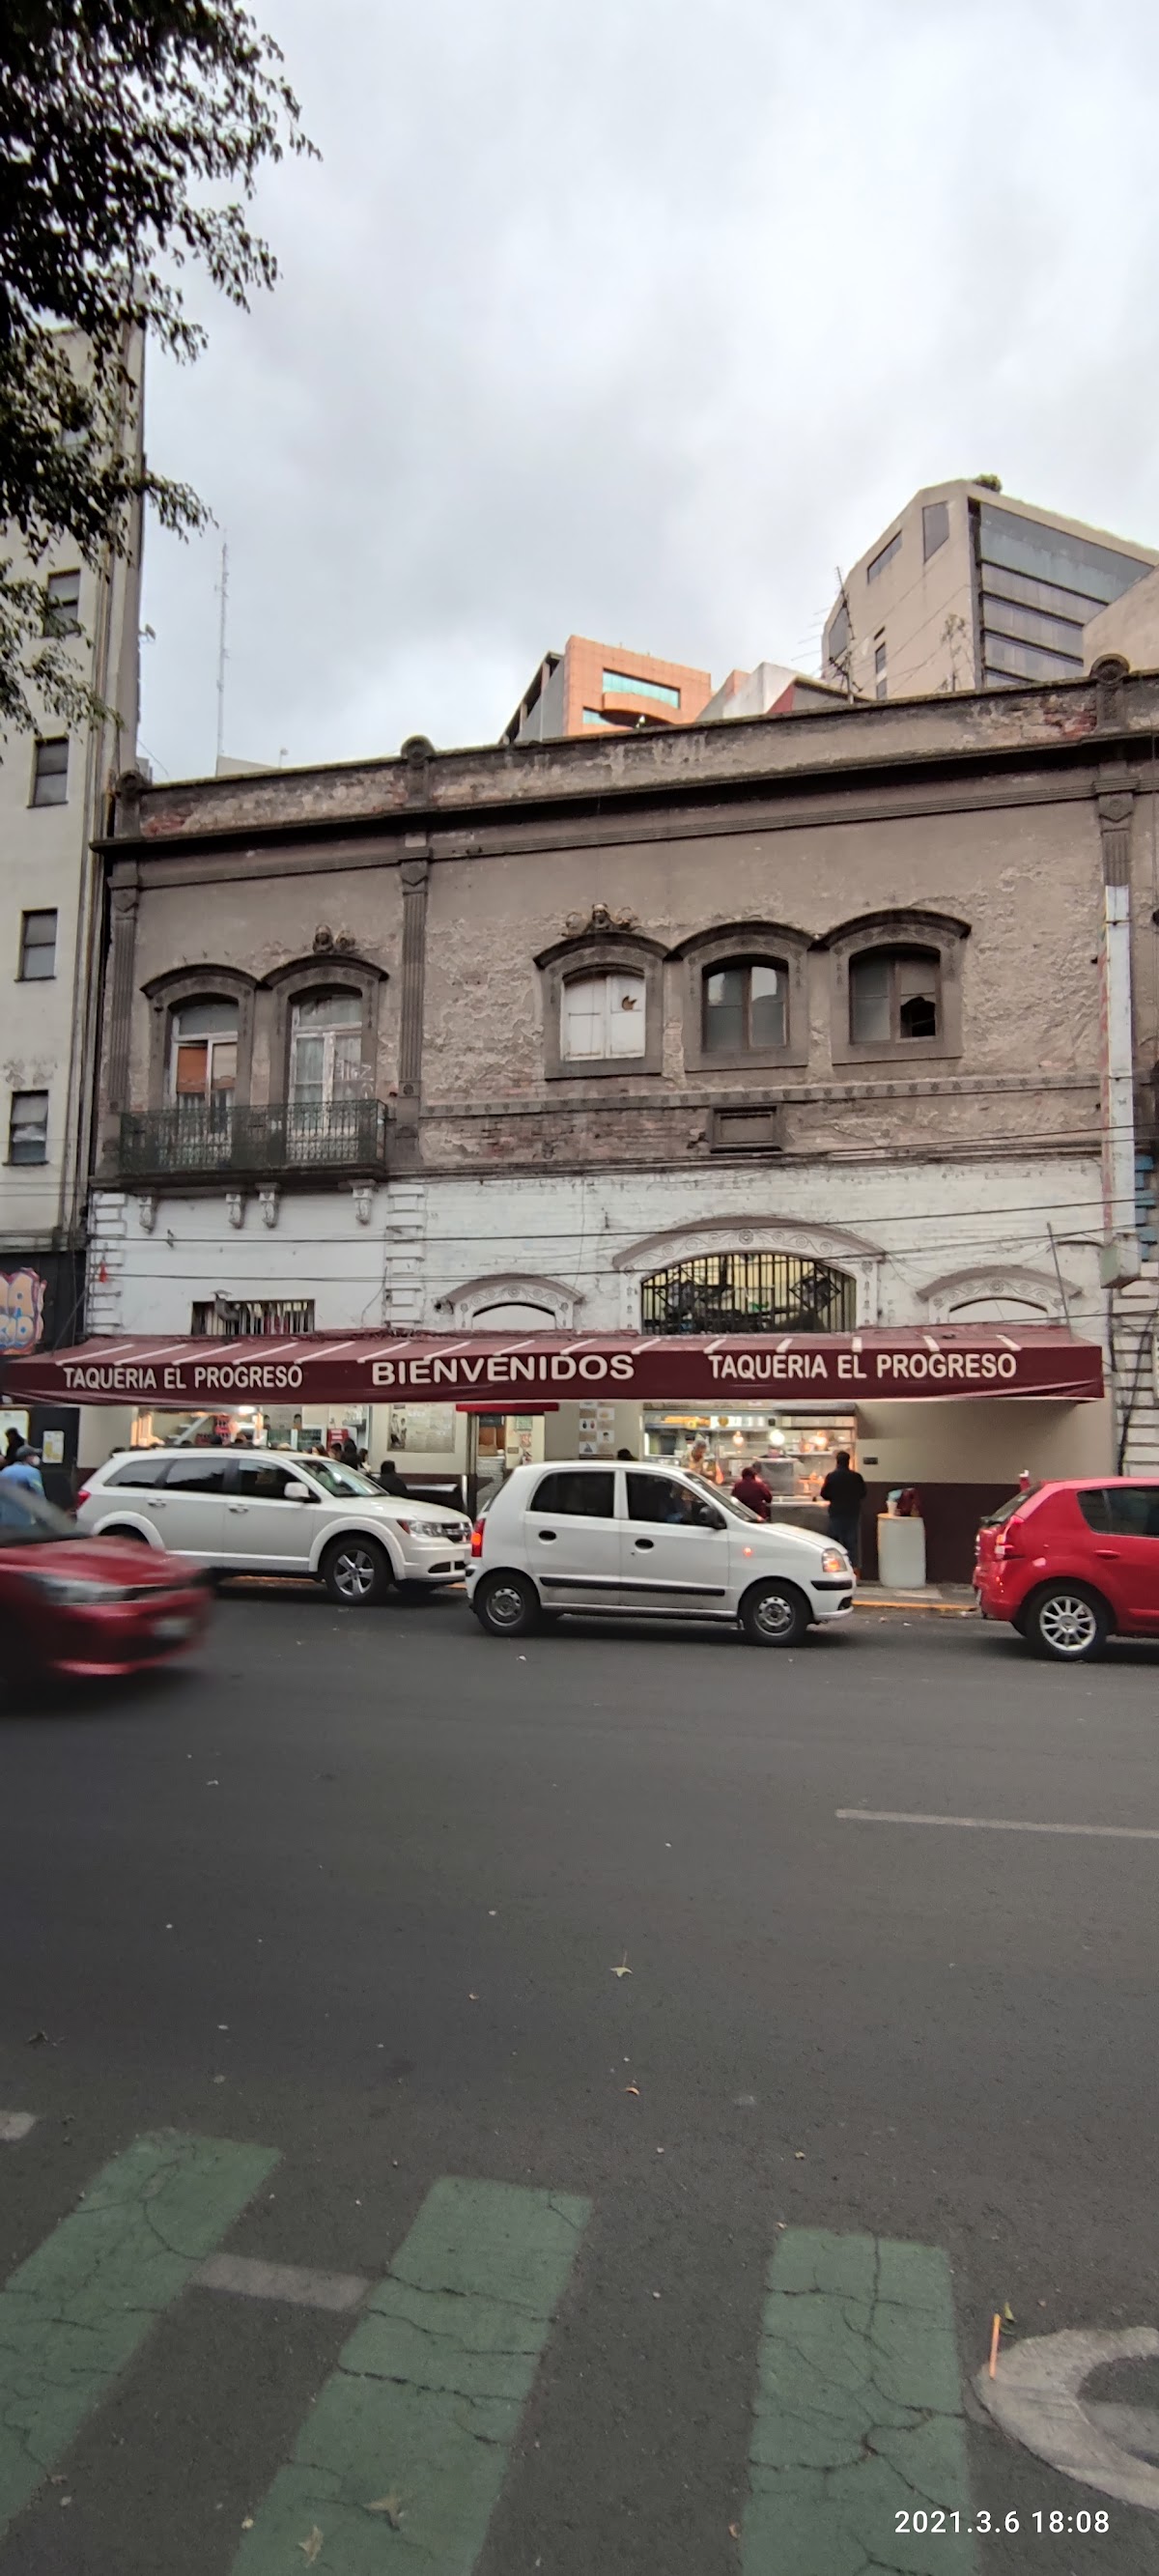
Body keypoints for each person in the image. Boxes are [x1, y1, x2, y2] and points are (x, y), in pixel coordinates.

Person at [820, 1449, 867, 1568]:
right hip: (852, 1513)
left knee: (834, 1542)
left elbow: (824, 1494)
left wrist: (834, 1497)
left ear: (837, 1462)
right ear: (848, 1461)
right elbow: (863, 1493)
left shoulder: (831, 1476)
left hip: (836, 1512)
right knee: (851, 1542)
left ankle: (837, 1567)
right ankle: (852, 1568)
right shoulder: (856, 1477)